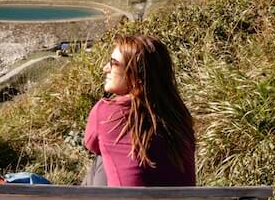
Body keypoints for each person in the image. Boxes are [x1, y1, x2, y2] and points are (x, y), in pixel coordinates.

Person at [83, 34, 195, 187]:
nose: (105, 69)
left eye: (114, 64)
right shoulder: (180, 116)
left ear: (136, 76)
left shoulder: (105, 112)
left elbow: (91, 144)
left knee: (101, 157)